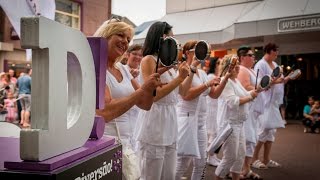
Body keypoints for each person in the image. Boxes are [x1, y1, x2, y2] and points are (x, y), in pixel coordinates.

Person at [94, 18, 165, 151]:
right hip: (107, 144)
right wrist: (143, 89)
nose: (125, 42)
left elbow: (145, 104)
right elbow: (105, 112)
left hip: (129, 141)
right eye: (120, 35)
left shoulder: (122, 68)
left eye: (128, 39)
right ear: (106, 35)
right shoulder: (95, 66)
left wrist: (150, 87)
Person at [133, 21, 192, 180]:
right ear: (161, 38)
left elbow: (184, 92)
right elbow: (154, 95)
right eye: (170, 38)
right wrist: (179, 78)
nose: (174, 43)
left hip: (170, 120)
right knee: (151, 174)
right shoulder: (148, 60)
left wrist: (189, 72)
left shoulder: (169, 63)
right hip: (155, 119)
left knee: (169, 175)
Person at [175, 41, 228, 180]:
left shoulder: (203, 73)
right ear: (187, 52)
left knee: (201, 162)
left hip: (200, 123)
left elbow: (214, 94)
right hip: (187, 120)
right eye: (201, 50)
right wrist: (207, 84)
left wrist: (225, 79)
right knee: (183, 162)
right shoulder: (182, 69)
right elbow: (186, 95)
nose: (205, 54)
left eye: (207, 52)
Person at [214, 54, 258, 180]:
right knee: (230, 157)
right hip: (229, 125)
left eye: (238, 64)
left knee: (240, 155)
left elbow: (244, 94)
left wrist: (255, 91)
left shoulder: (236, 80)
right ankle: (218, 177)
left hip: (239, 123)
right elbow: (233, 102)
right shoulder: (225, 81)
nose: (238, 67)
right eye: (235, 65)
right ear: (228, 67)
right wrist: (250, 97)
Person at [251, 43, 291, 169]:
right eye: (275, 51)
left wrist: (285, 79)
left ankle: (266, 159)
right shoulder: (260, 65)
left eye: (277, 51)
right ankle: (254, 159)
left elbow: (280, 79)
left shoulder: (276, 65)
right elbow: (260, 83)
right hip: (264, 102)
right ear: (268, 51)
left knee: (271, 131)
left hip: (274, 102)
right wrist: (278, 80)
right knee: (263, 130)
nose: (276, 53)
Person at [237, 46, 263, 179]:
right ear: (242, 58)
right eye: (250, 55)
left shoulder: (250, 70)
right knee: (247, 139)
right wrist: (260, 87)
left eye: (253, 55)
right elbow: (244, 87)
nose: (253, 57)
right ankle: (240, 169)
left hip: (254, 111)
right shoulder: (242, 70)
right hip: (247, 109)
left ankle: (246, 168)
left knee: (252, 139)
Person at [206, 57, 222, 167]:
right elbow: (215, 92)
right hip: (211, 108)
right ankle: (210, 157)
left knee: (216, 133)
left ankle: (213, 156)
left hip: (217, 107)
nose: (220, 65)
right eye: (218, 63)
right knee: (213, 133)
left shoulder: (217, 77)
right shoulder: (211, 77)